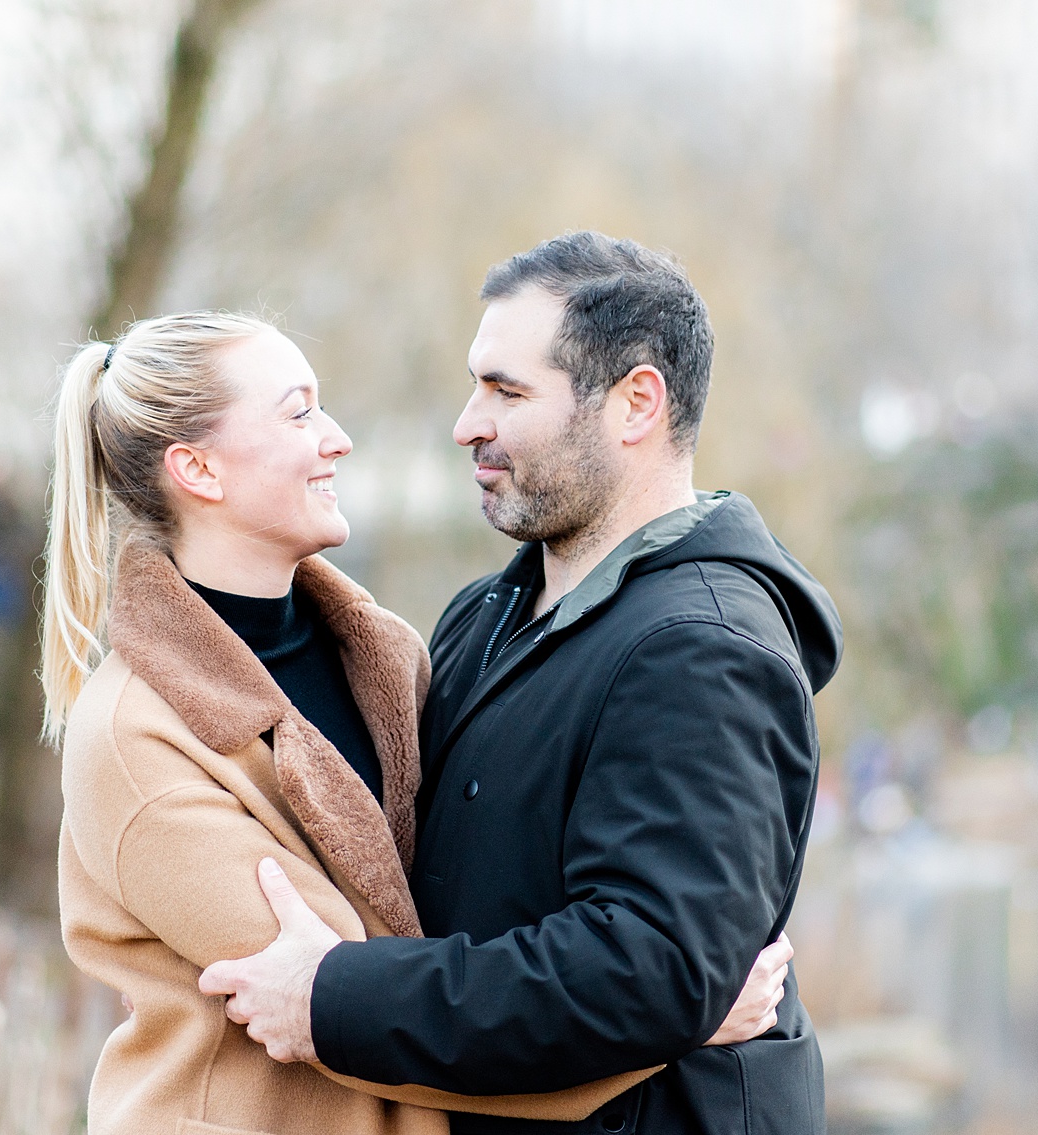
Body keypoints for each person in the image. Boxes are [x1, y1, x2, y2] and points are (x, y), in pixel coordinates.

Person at [43, 311, 790, 1135]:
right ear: (199, 468)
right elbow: (331, 1004)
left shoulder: (393, 660)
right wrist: (667, 1025)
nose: (338, 440)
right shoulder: (135, 735)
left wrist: (657, 980)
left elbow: (441, 938)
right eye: (299, 413)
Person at [201, 233, 842, 1135]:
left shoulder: (706, 649)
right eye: (476, 385)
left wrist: (333, 998)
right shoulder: (485, 614)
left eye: (507, 390)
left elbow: (649, 970)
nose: (468, 422)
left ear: (636, 403)